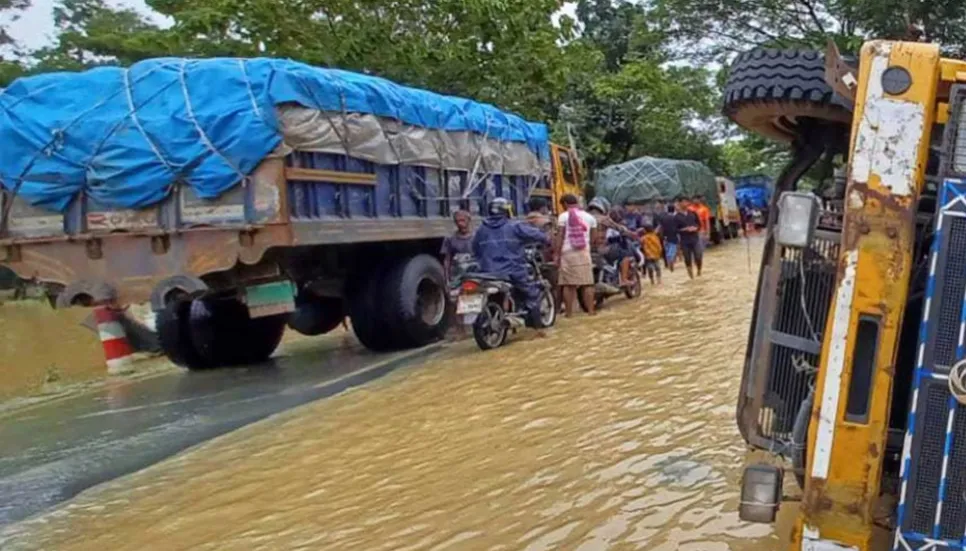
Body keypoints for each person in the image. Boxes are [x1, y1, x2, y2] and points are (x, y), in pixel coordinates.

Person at [472, 197, 550, 327]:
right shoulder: (514, 226)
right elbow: (538, 236)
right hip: (512, 270)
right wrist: (547, 239)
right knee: (532, 292)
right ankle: (537, 327)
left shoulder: (481, 229)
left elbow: (475, 249)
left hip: (486, 272)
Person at [555, 193, 597, 317]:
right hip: (584, 252)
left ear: (565, 204)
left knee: (568, 284)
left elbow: (560, 237)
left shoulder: (563, 216)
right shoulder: (590, 217)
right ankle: (591, 311)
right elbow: (594, 238)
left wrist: (557, 254)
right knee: (587, 283)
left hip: (567, 253)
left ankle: (569, 314)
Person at [441, 209, 474, 281]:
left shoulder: (477, 237)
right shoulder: (450, 238)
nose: (460, 223)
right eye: (457, 221)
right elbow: (447, 260)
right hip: (458, 276)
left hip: (475, 275)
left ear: (469, 220)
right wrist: (447, 279)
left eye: (462, 220)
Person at [675, 196, 703, 279]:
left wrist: (696, 228)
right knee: (687, 258)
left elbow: (699, 224)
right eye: (683, 202)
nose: (685, 203)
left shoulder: (693, 213)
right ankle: (691, 275)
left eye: (686, 202)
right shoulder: (676, 217)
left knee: (698, 255)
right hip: (684, 240)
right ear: (679, 203)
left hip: (695, 238)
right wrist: (684, 229)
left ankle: (699, 270)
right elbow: (675, 230)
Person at [658, 201, 679, 272]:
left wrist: (661, 236)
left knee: (667, 250)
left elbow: (661, 227)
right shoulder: (676, 218)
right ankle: (671, 260)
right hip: (673, 235)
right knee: (673, 249)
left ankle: (668, 261)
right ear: (674, 210)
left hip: (665, 236)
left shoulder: (663, 217)